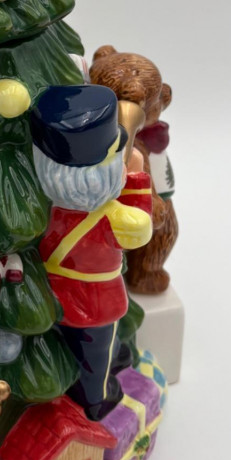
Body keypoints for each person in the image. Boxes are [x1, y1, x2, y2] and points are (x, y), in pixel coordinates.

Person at [30, 85, 153, 420]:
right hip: (96, 303)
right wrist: (136, 176)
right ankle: (96, 401)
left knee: (85, 349)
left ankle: (113, 361)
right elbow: (140, 230)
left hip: (53, 296)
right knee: (93, 358)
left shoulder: (45, 209)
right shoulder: (116, 217)